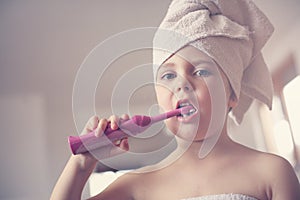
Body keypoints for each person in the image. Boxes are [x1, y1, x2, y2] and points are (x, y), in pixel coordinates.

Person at [51, 0, 300, 199]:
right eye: (168, 75)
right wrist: (81, 166)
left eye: (200, 71)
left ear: (232, 95)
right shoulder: (136, 187)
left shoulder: (273, 173)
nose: (182, 84)